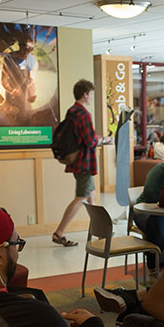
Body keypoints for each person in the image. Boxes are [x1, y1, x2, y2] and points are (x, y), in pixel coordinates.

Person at [53, 79, 98, 247]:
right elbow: (90, 141)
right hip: (85, 163)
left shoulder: (71, 111)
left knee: (91, 195)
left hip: (76, 161)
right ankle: (59, 232)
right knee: (82, 197)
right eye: (91, 94)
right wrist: (103, 139)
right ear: (85, 95)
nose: (92, 97)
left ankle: (99, 231)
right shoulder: (83, 114)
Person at [1, 35, 38, 110]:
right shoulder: (9, 58)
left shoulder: (32, 60)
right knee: (11, 113)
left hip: (24, 90)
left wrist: (30, 94)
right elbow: (3, 80)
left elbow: (31, 78)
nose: (26, 53)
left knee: (23, 112)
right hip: (12, 89)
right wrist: (11, 90)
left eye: (29, 51)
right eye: (25, 49)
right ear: (20, 46)